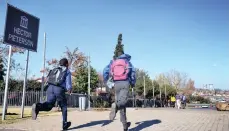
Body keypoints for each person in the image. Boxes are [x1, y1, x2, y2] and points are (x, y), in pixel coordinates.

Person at [32, 58, 72, 130]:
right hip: (59, 89)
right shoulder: (66, 70)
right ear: (66, 64)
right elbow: (68, 83)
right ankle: (65, 124)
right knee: (64, 106)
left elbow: (48, 79)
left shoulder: (54, 69)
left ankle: (38, 106)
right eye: (68, 64)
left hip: (50, 88)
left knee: (49, 105)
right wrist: (69, 89)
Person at [103, 51, 136, 131]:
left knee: (122, 104)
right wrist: (132, 83)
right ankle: (115, 106)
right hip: (125, 83)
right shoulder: (127, 62)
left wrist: (107, 80)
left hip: (116, 84)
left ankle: (125, 126)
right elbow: (133, 73)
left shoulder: (113, 62)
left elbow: (105, 70)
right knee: (122, 103)